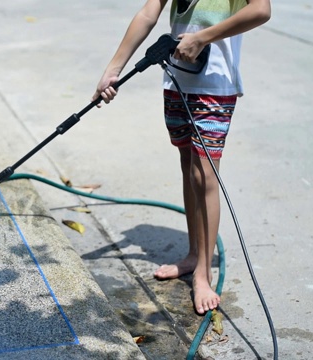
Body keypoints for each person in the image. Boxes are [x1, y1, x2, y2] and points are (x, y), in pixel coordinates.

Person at [92, 0, 271, 315]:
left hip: (215, 84)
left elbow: (261, 10)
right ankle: (192, 254)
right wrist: (113, 70)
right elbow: (149, 12)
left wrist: (204, 36)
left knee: (205, 175)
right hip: (176, 79)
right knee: (188, 166)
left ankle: (203, 272)